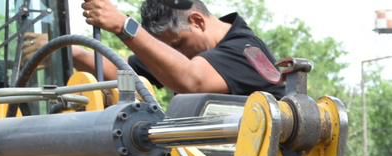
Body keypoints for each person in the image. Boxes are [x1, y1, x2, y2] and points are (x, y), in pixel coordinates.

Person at [55, 1, 284, 97]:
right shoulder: (186, 55)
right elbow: (121, 72)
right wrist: (67, 52)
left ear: (197, 21)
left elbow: (192, 80)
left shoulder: (246, 51)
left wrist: (124, 26)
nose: (176, 56)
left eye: (177, 45)